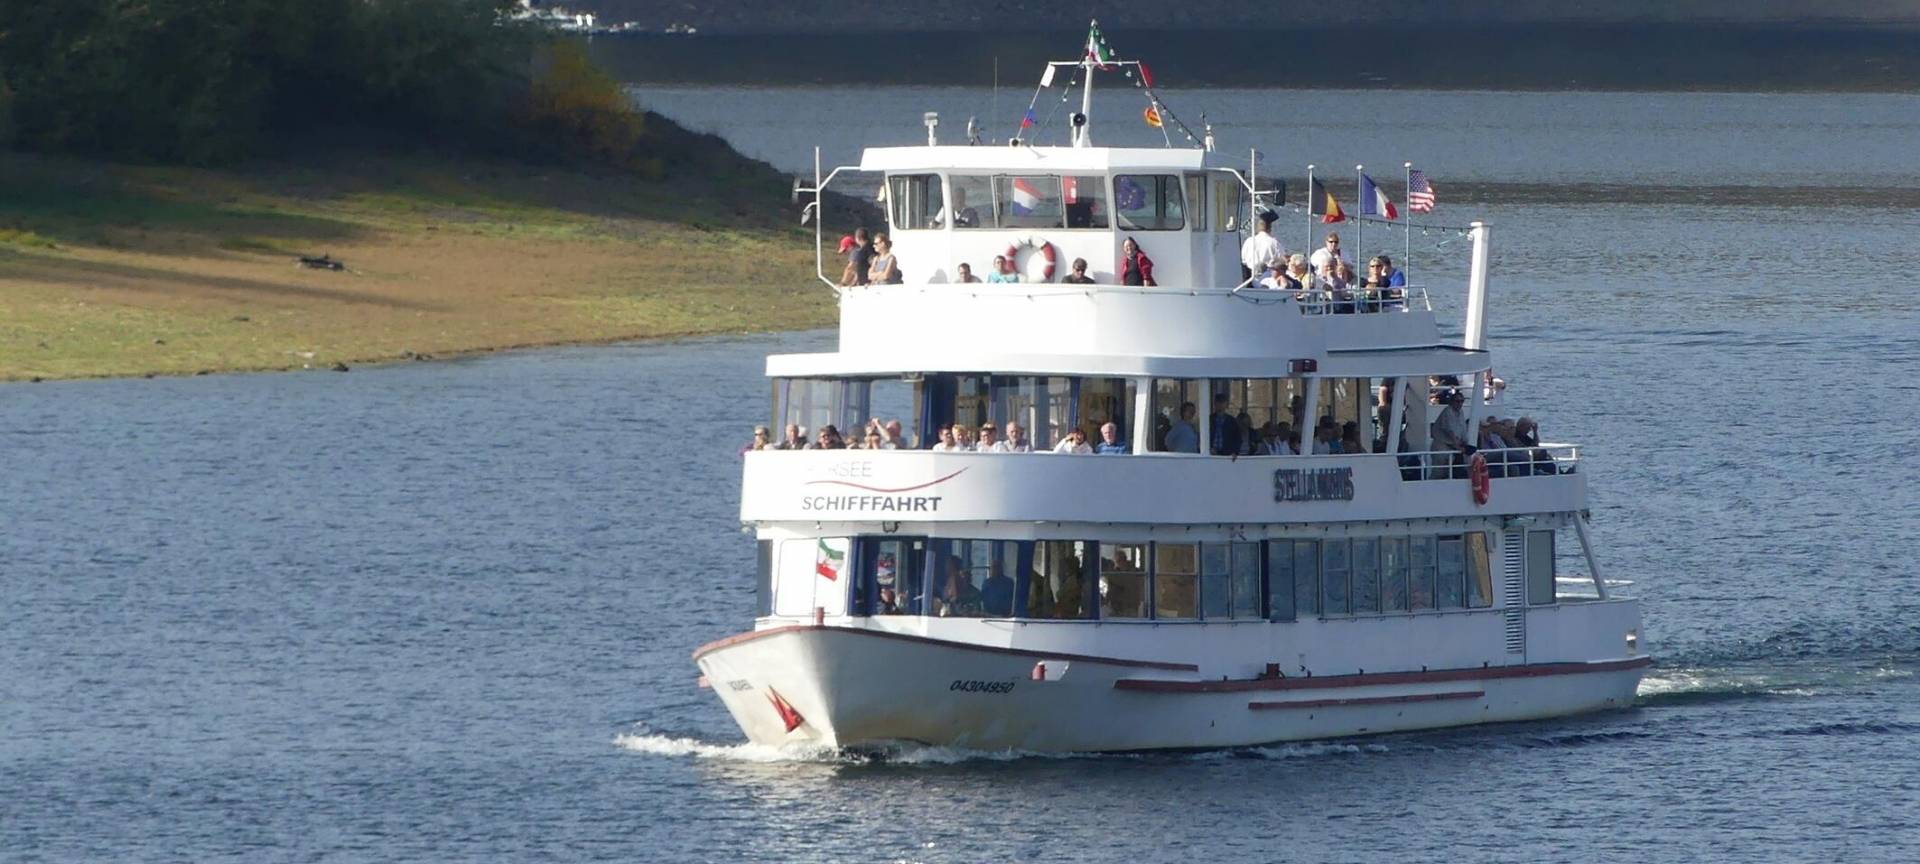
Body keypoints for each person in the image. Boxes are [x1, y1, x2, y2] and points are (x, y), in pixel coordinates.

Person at [1239, 210, 1285, 283]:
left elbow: (1243, 260)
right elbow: (1282, 261)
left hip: (1249, 278)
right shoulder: (1274, 243)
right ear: (1270, 227)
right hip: (1268, 278)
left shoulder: (1248, 241)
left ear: (1258, 226)